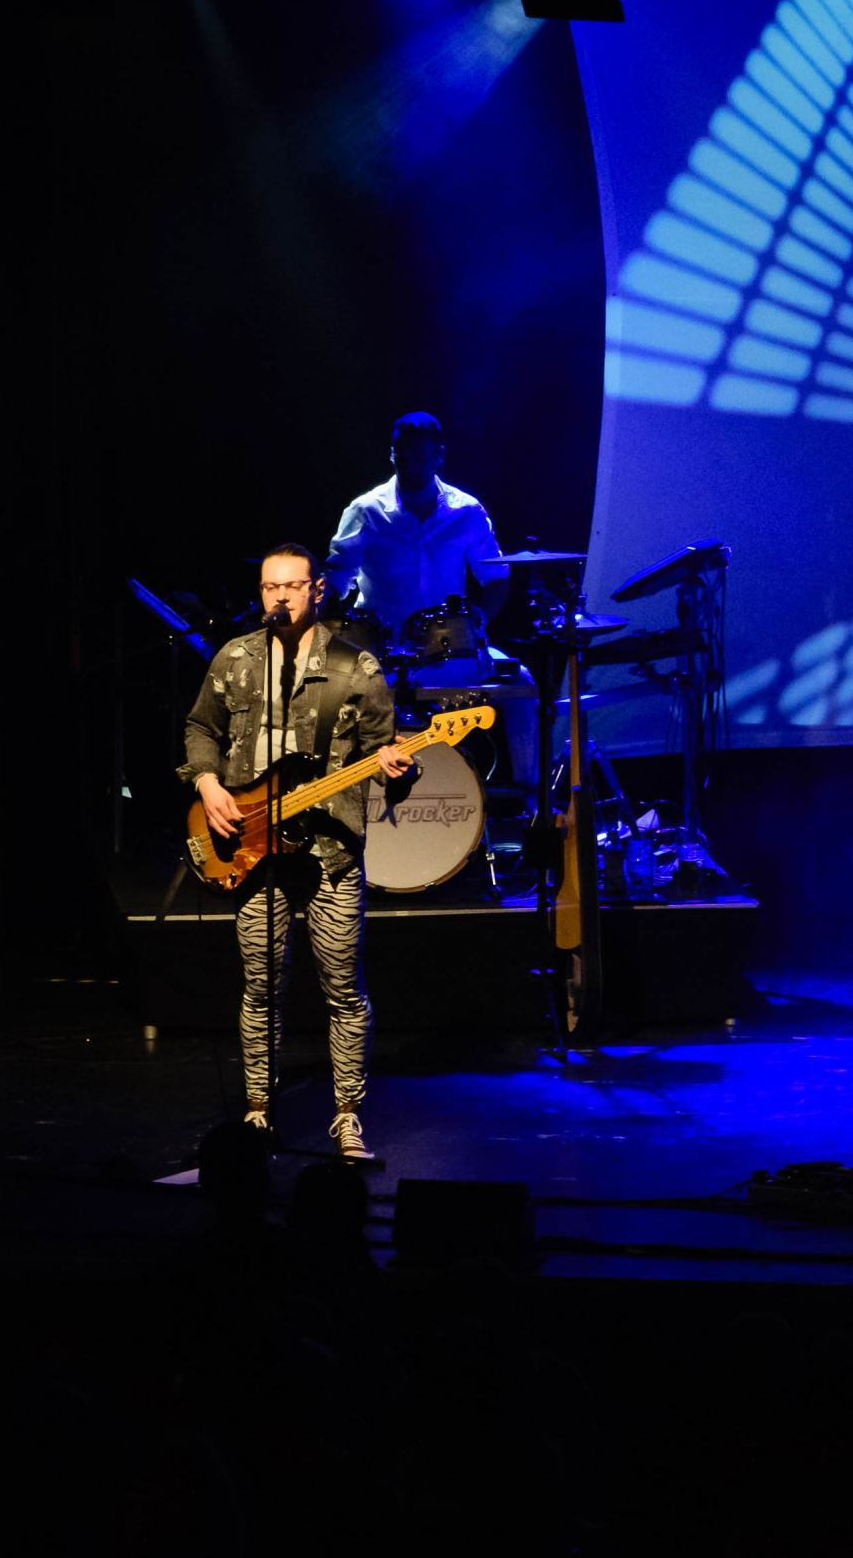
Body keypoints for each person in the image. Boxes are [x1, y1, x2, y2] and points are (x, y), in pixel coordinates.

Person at [180, 543, 412, 1159]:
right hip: (252, 847)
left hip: (331, 852)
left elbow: (385, 755)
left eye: (291, 586)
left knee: (342, 988)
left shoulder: (355, 668)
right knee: (260, 987)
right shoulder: (236, 658)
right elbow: (200, 727)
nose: (279, 596)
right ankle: (258, 1108)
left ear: (317, 590)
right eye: (269, 586)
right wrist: (208, 783)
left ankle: (347, 1114)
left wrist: (398, 768)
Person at [325, 410, 537, 783]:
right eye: (402, 455)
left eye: (419, 456)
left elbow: (496, 580)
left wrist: (475, 623)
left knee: (522, 683)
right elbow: (333, 582)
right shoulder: (366, 511)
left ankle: (530, 796)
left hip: (450, 652)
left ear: (439, 456)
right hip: (382, 655)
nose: (410, 464)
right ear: (392, 454)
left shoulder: (466, 511)